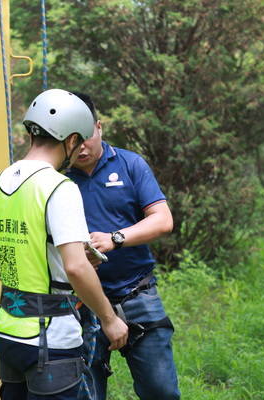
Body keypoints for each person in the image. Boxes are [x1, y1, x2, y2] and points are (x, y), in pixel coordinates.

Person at [0, 89, 128, 400]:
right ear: (70, 141)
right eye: (78, 142)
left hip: (8, 334)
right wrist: (110, 319)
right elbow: (76, 267)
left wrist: (26, 277)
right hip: (50, 340)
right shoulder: (58, 188)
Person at [66, 93, 181, 400]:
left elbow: (162, 220)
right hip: (82, 301)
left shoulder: (130, 164)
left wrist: (115, 239)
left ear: (99, 127)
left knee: (162, 391)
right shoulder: (57, 178)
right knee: (85, 395)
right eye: (71, 139)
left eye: (86, 136)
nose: (81, 147)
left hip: (137, 293)